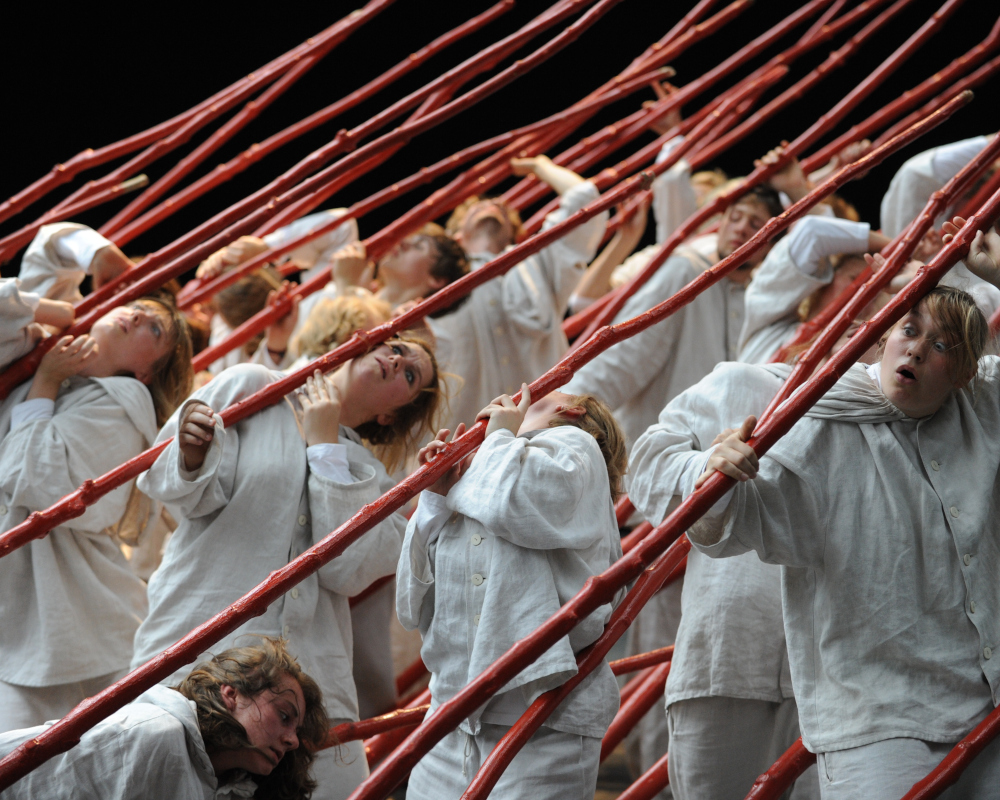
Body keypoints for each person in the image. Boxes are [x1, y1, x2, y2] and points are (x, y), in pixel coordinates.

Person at [655, 219, 1000, 799]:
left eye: (940, 343)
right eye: (907, 326)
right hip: (821, 686)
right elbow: (669, 470)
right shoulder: (772, 392)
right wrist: (707, 475)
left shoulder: (979, 407)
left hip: (973, 698)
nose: (916, 346)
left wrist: (994, 273)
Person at [133, 333, 440, 800]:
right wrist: (191, 453)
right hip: (198, 647)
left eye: (411, 374)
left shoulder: (375, 481)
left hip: (312, 687)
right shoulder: (254, 384)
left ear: (391, 415)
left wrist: (324, 445)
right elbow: (164, 481)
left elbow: (346, 569)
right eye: (395, 347)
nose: (396, 360)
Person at [0, 224, 194, 732]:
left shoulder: (122, 406)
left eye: (155, 329)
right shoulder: (53, 341)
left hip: (60, 626)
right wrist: (100, 255)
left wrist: (45, 383)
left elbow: (33, 482)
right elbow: (44, 251)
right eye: (138, 306)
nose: (138, 315)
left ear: (147, 372)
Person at [397, 384, 627, 799]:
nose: (517, 397)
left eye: (540, 395)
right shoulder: (485, 469)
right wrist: (435, 497)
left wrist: (500, 436)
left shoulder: (576, 446)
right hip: (450, 716)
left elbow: (516, 502)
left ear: (572, 410)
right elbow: (411, 601)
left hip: (545, 723)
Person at [0, 638, 329, 800]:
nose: (293, 740)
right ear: (232, 695)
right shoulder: (156, 733)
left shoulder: (225, 784)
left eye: (296, 729)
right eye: (284, 715)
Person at [428, 155, 608, 431]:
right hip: (462, 444)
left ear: (513, 232)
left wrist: (540, 166)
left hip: (551, 433)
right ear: (455, 234)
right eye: (476, 208)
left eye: (502, 208)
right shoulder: (434, 276)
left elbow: (586, 202)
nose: (493, 204)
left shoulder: (536, 262)